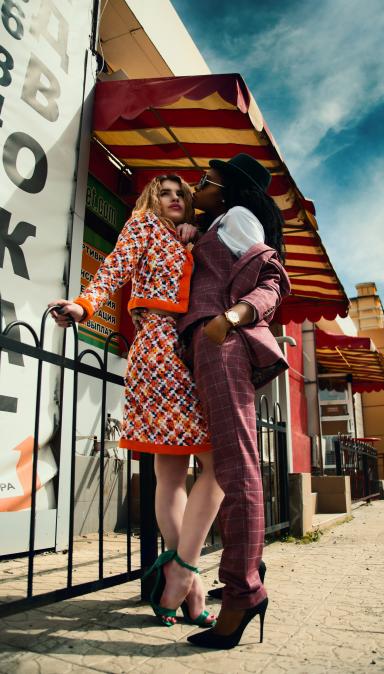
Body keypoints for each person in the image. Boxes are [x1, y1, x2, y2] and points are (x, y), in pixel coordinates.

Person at [49, 175, 224, 628]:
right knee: (196, 469)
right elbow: (114, 268)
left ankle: (179, 574)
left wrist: (193, 239)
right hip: (158, 347)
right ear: (151, 199)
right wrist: (84, 307)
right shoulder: (142, 226)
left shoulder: (190, 238)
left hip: (188, 347)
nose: (173, 200)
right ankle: (189, 578)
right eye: (164, 192)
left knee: (185, 472)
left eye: (181, 195)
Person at [176, 153, 291, 649]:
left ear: (227, 192)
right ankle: (244, 575)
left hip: (220, 342)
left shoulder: (237, 219)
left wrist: (235, 315)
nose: (196, 188)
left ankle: (244, 591)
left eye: (205, 182)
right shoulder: (214, 226)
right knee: (229, 467)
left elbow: (275, 278)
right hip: (208, 344)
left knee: (237, 466)